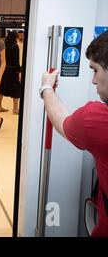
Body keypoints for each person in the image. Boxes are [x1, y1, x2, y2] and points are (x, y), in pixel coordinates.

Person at [41, 30, 108, 237]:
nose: (93, 81)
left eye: (95, 70)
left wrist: (46, 88)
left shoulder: (96, 121)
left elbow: (61, 120)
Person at [0, 31, 21, 114]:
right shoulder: (15, 46)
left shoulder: (4, 46)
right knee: (16, 88)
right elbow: (16, 61)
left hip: (3, 70)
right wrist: (18, 71)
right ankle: (15, 109)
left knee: (1, 88)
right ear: (15, 38)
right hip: (12, 70)